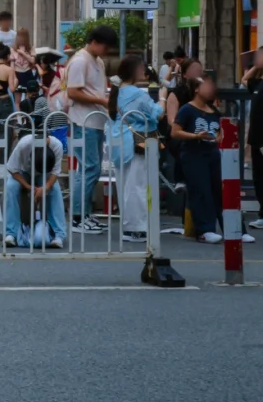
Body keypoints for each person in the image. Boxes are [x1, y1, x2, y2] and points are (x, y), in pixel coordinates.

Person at [107, 53, 164, 240]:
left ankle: (129, 226)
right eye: (141, 67)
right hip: (137, 141)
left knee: (125, 185)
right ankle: (136, 228)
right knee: (138, 185)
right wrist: (163, 98)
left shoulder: (117, 91)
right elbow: (157, 113)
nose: (144, 70)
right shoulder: (138, 94)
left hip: (118, 141)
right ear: (134, 71)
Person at [65, 26, 117, 233]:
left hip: (95, 120)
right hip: (83, 121)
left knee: (89, 169)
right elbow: (72, 92)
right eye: (105, 46)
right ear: (94, 41)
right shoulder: (80, 61)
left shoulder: (97, 61)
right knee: (89, 168)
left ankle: (84, 213)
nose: (107, 50)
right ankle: (78, 217)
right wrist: (102, 101)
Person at [172, 75, 225, 243]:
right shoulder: (187, 109)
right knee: (201, 191)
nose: (210, 88)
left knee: (219, 191)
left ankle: (233, 228)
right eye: (205, 85)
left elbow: (219, 131)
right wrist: (195, 136)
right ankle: (204, 230)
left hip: (212, 154)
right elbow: (175, 132)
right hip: (193, 154)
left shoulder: (214, 111)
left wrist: (219, 137)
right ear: (196, 89)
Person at [3, 133, 65, 249]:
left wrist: (46, 187)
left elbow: (55, 172)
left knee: (55, 189)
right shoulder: (24, 144)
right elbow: (12, 169)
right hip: (23, 172)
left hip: (45, 173)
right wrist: (28, 186)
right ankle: (11, 233)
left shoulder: (57, 145)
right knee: (11, 187)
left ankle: (58, 235)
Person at [244, 49, 263, 231]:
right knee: (258, 178)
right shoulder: (258, 83)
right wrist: (257, 67)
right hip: (256, 140)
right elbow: (245, 80)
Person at [10, 28, 39, 109]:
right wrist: (14, 77)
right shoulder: (13, 48)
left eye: (23, 36)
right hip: (17, 74)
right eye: (19, 36)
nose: (21, 38)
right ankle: (19, 116)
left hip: (27, 73)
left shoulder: (30, 48)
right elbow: (12, 65)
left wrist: (23, 53)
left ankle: (26, 115)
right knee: (17, 100)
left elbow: (33, 61)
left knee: (28, 98)